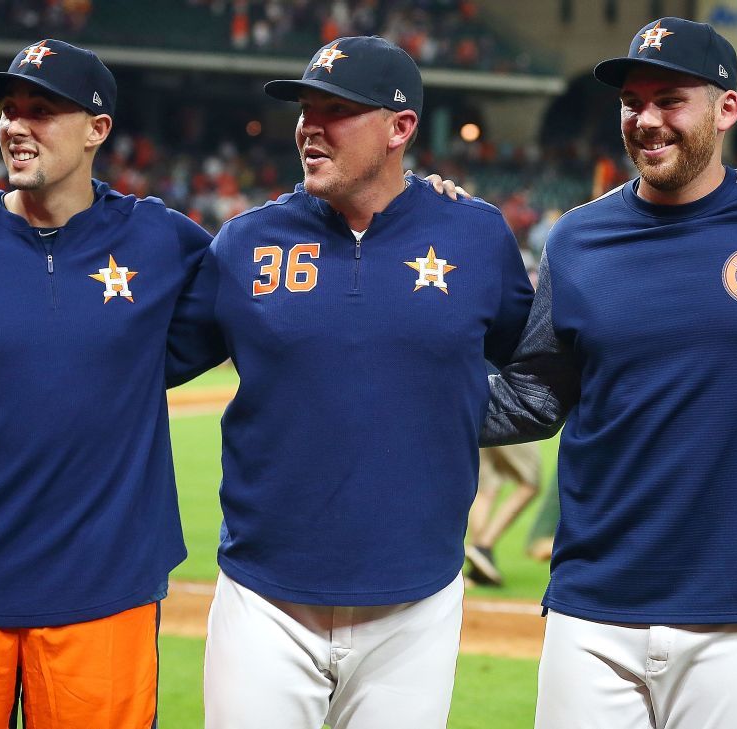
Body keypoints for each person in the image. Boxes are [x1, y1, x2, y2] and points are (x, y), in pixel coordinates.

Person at [480, 17, 737, 728]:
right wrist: (401, 395)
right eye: (632, 102)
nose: (646, 120)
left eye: (670, 99)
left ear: (726, 108)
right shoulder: (578, 237)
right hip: (593, 602)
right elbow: (537, 391)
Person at [165, 36, 533, 728]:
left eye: (337, 110)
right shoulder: (247, 242)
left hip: (416, 603)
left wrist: (448, 411)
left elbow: (538, 366)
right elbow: (142, 361)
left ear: (401, 128)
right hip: (263, 598)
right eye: (307, 109)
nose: (310, 126)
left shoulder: (476, 237)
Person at [0, 39, 213, 727]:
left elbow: (270, 286)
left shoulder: (159, 239)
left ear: (96, 130)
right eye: (10, 108)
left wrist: (417, 198)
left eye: (43, 110)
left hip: (104, 596)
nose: (16, 124)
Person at [465, 442, 541, 586]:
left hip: (482, 422)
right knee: (529, 485)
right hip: (514, 421)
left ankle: (479, 567)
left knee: (485, 489)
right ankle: (482, 547)